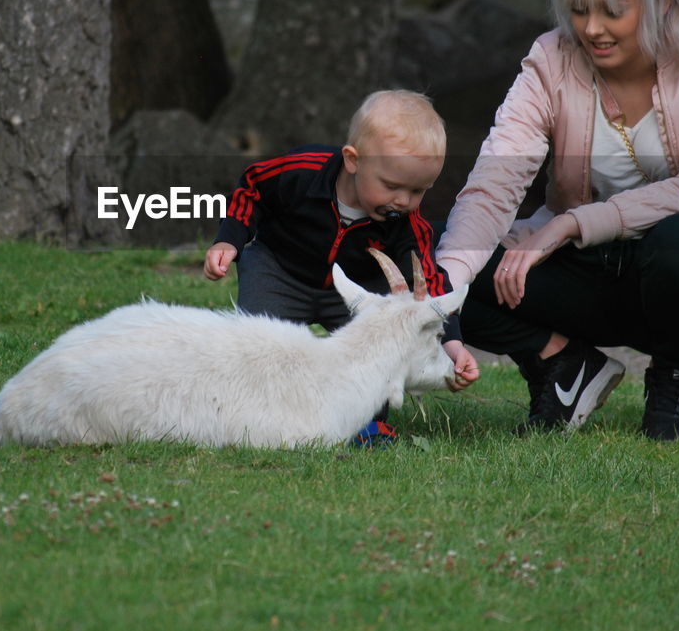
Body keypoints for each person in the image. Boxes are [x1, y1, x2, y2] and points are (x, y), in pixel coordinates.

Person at [436, 0, 679, 441]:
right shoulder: (551, 56)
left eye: (613, 11)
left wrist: (569, 224)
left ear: (662, 0)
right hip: (583, 277)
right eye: (578, 10)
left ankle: (671, 380)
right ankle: (564, 365)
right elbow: (495, 181)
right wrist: (444, 291)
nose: (591, 29)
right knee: (452, 262)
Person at [204, 90, 480, 445]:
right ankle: (244, 408)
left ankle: (367, 423)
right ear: (353, 160)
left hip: (354, 292)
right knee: (258, 342)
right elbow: (253, 187)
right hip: (279, 270)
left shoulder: (406, 224)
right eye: (392, 186)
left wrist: (452, 344)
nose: (404, 201)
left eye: (418, 191)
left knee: (380, 344)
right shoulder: (304, 171)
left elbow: (431, 280)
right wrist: (230, 239)